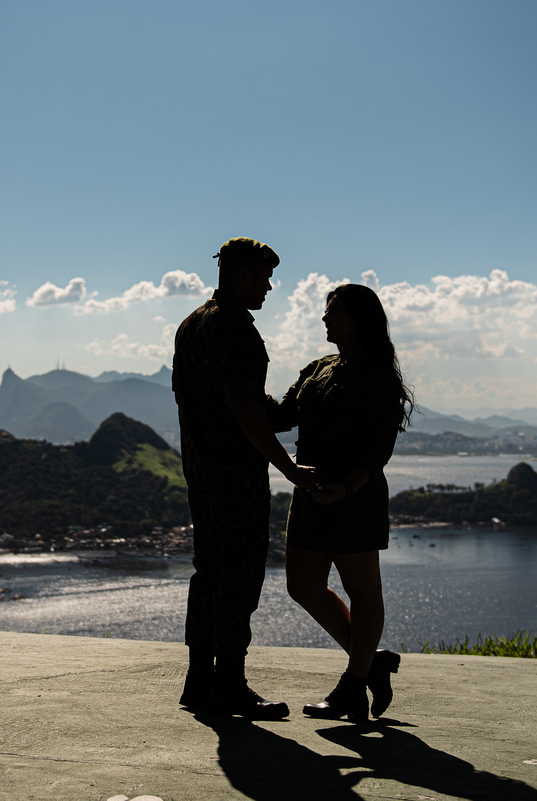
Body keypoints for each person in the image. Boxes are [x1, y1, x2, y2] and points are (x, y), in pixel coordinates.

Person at [172, 236, 317, 719]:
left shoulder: (191, 326)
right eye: (265, 277)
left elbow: (226, 405)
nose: (270, 287)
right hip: (235, 479)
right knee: (238, 578)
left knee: (208, 574)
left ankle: (199, 680)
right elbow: (243, 410)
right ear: (243, 276)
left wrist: (284, 410)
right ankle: (229, 684)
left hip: (201, 475)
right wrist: (289, 467)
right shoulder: (236, 330)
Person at [272, 282, 414, 722]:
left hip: (355, 500)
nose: (324, 318)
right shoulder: (319, 368)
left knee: (363, 591)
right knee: (303, 586)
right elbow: (280, 416)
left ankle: (354, 684)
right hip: (312, 497)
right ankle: (371, 663)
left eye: (333, 311)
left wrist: (348, 488)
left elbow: (377, 449)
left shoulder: (377, 379)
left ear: (358, 320)